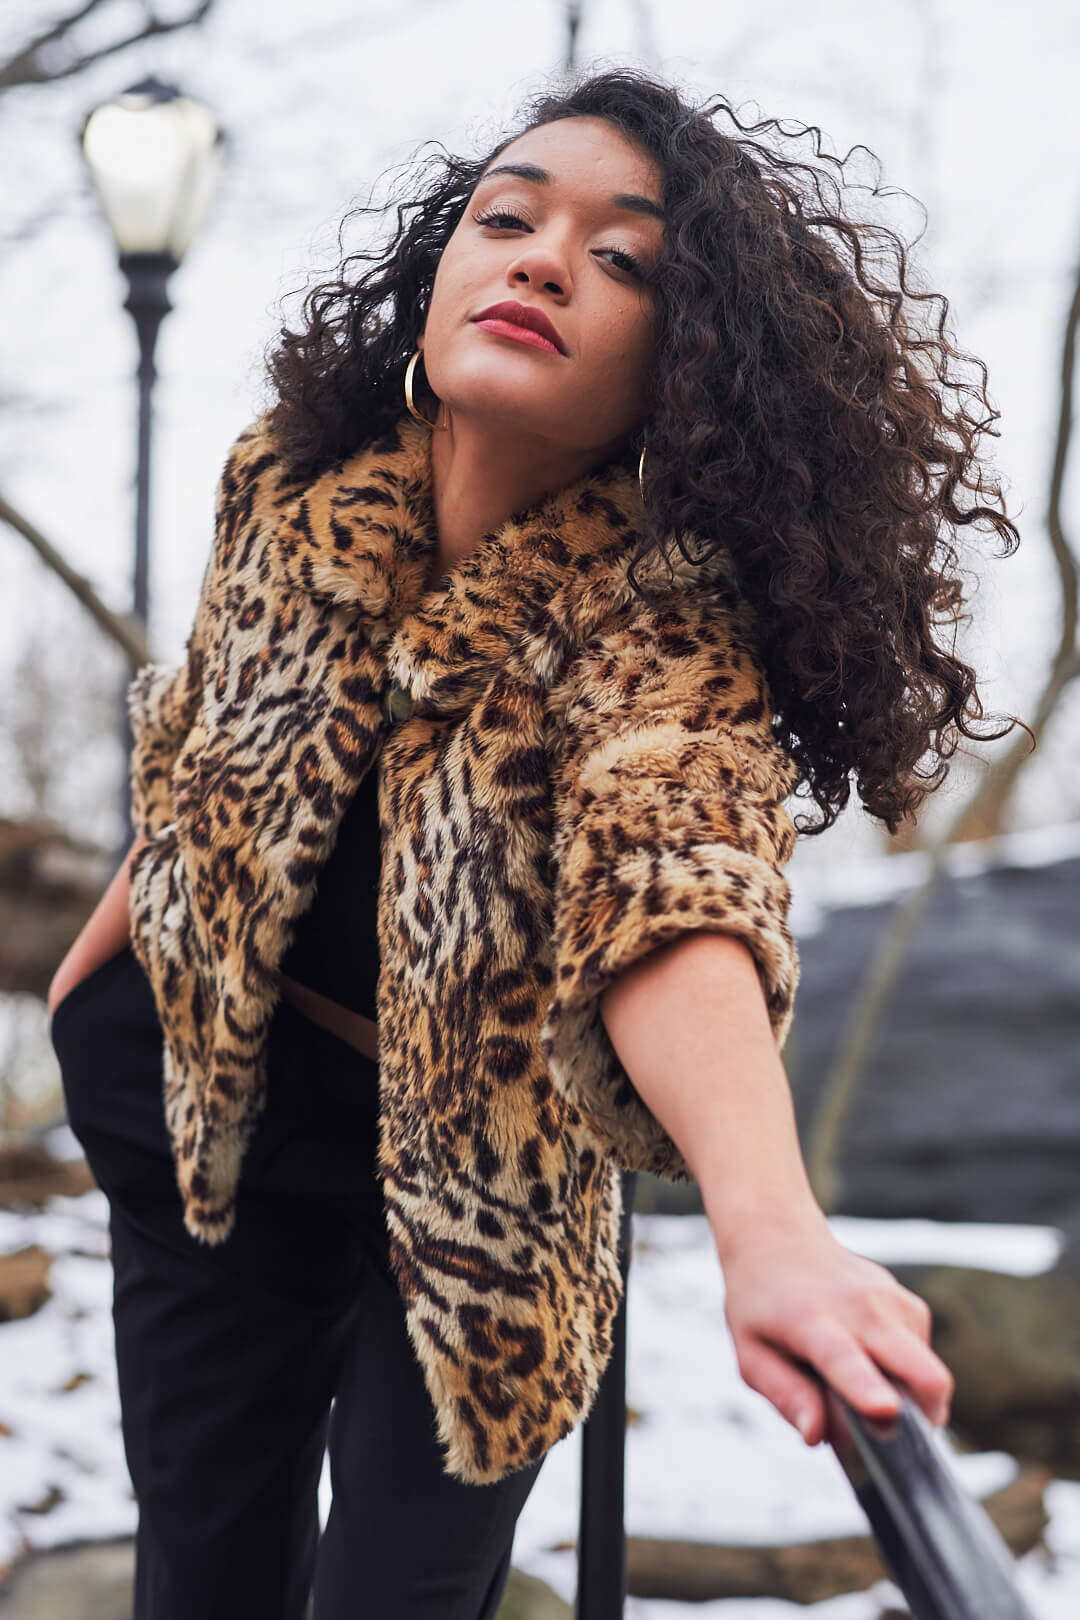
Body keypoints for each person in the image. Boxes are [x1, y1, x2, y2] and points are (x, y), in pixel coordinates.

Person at [46, 66, 1024, 1620]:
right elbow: (208, 741)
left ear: (686, 365)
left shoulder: (656, 621)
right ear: (440, 267)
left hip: (477, 1195)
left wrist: (775, 1232)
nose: (545, 261)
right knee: (201, 1576)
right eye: (507, 218)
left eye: (625, 258)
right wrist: (100, 977)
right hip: (205, 1115)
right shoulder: (289, 486)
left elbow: (674, 882)